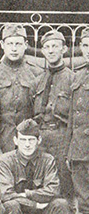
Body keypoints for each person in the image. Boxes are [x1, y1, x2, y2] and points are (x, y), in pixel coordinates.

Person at [0, 24, 42, 152]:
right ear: (2, 45)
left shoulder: (37, 73)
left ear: (26, 45)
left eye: (18, 44)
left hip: (27, 138)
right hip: (0, 137)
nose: (14, 49)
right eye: (10, 44)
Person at [32, 30, 75, 203]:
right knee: (40, 182)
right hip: (41, 138)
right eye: (47, 47)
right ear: (42, 51)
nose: (51, 51)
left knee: (64, 184)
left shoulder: (73, 79)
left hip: (62, 137)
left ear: (64, 49)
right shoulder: (37, 81)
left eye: (55, 46)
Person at [68, 27, 89, 214]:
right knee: (85, 205)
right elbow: (72, 120)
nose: (88, 49)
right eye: (85, 45)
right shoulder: (78, 75)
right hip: (80, 152)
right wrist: (68, 151)